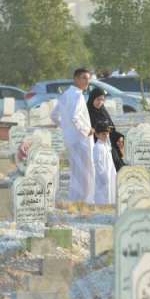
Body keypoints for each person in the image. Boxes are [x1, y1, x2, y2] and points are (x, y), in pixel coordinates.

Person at [51, 68, 95, 204]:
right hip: (81, 139)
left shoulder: (66, 94)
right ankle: (87, 200)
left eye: (88, 78)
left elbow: (53, 115)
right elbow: (75, 118)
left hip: (70, 138)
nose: (87, 81)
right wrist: (86, 131)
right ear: (76, 79)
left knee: (76, 171)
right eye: (84, 78)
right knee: (87, 170)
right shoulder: (77, 95)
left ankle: (76, 199)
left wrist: (65, 127)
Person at [86, 87, 125, 171]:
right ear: (92, 98)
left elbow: (111, 128)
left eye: (102, 99)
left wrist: (119, 137)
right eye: (98, 99)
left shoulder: (103, 111)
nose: (100, 102)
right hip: (96, 146)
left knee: (118, 165)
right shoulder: (87, 112)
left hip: (108, 143)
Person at [92, 123, 117, 205]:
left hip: (110, 174)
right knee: (103, 196)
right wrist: (104, 177)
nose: (106, 136)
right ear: (97, 135)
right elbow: (98, 164)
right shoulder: (98, 147)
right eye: (103, 134)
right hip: (103, 177)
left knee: (111, 194)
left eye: (107, 134)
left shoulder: (106, 145)